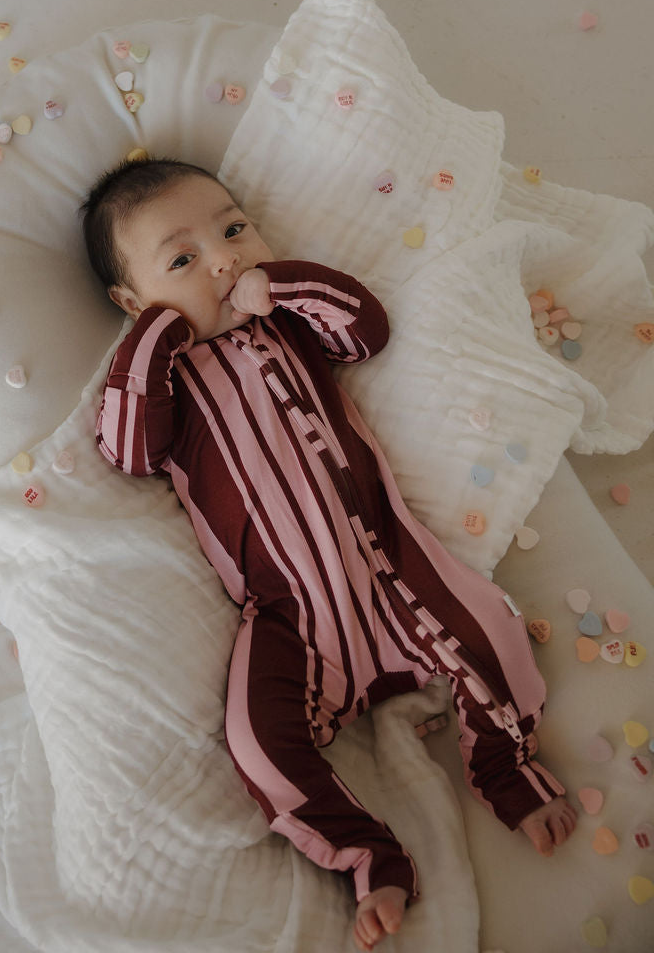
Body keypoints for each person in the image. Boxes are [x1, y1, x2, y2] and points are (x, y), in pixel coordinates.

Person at [80, 156, 576, 952]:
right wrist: (164, 329)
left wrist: (279, 284)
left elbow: (365, 327)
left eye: (234, 228)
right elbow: (127, 450)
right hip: (289, 613)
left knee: (493, 629)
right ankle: (366, 854)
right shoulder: (164, 384)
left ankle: (507, 768)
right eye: (183, 259)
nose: (223, 259)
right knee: (254, 742)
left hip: (394, 564)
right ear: (133, 303)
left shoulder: (285, 322)